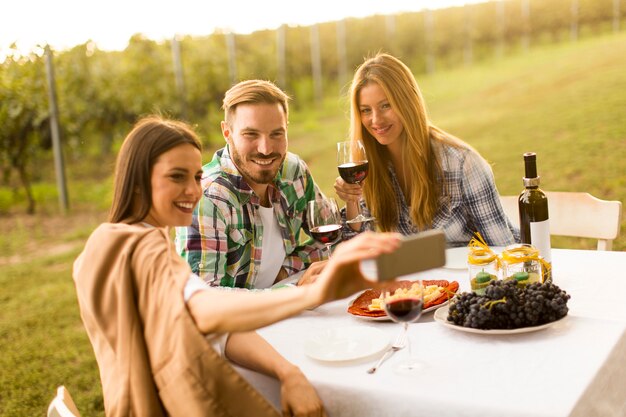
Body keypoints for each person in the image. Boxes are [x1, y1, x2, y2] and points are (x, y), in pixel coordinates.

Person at [72, 115, 401, 417]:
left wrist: (286, 371)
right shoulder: (139, 249)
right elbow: (201, 309)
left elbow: (214, 327)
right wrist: (308, 296)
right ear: (138, 180)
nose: (192, 190)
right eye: (176, 177)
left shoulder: (114, 241)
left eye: (196, 176)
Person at [334, 53, 519, 247]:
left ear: (407, 102)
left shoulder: (463, 164)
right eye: (366, 110)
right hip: (420, 277)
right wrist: (351, 200)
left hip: (473, 273)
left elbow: (504, 252)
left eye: (386, 105)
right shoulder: (368, 167)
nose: (376, 120)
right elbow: (359, 249)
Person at [176, 79, 328, 289]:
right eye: (251, 134)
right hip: (243, 321)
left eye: (276, 134)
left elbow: (332, 238)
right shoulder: (207, 198)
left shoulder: (293, 171)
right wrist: (292, 292)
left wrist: (285, 271)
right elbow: (204, 300)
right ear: (227, 133)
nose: (266, 149)